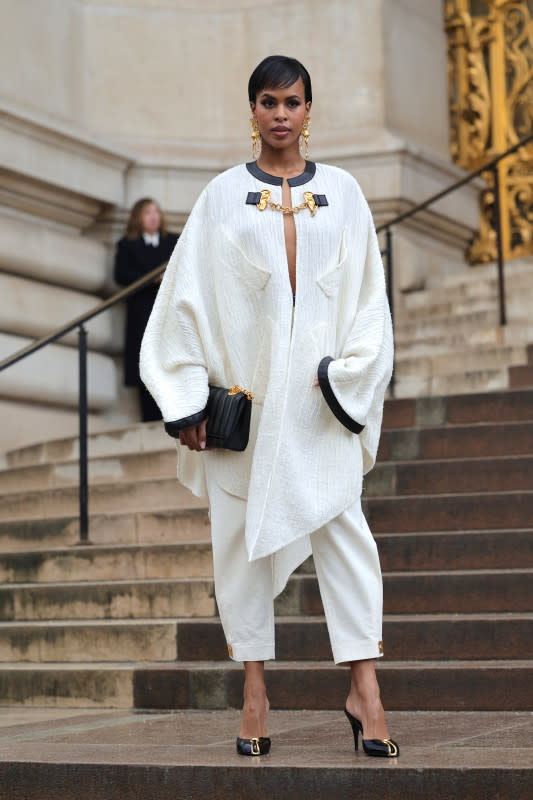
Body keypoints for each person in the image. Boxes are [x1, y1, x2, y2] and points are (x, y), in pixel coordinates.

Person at [140, 55, 397, 759]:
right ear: (250, 110)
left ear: (309, 111)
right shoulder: (223, 196)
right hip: (248, 411)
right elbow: (183, 305)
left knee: (348, 543)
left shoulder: (343, 194)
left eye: (291, 101)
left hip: (319, 404)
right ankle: (254, 688)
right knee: (241, 548)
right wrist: (189, 401)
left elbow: (369, 302)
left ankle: (364, 688)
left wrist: (346, 378)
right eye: (267, 101)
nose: (280, 113)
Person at [114, 198, 179, 421]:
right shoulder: (128, 245)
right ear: (138, 219)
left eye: (156, 212)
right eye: (147, 213)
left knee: (169, 362)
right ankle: (149, 419)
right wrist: (151, 278)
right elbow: (120, 276)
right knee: (146, 365)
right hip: (141, 314)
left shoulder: (173, 241)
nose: (153, 217)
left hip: (168, 312)